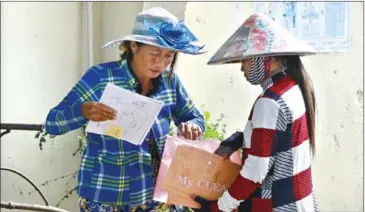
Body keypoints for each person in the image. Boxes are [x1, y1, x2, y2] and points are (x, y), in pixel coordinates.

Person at [44, 7, 207, 212]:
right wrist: (82, 111)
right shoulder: (101, 78)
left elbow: (194, 117)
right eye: (155, 53)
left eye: (169, 56)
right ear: (133, 46)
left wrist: (192, 126)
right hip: (106, 196)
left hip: (157, 196)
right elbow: (52, 123)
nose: (161, 63)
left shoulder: (169, 81)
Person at [192, 13, 319, 212]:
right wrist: (240, 139)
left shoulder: (270, 102)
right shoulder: (294, 88)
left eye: (246, 60)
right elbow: (278, 140)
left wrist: (219, 207)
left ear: (271, 57)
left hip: (278, 205)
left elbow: (255, 172)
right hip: (302, 202)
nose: (242, 68)